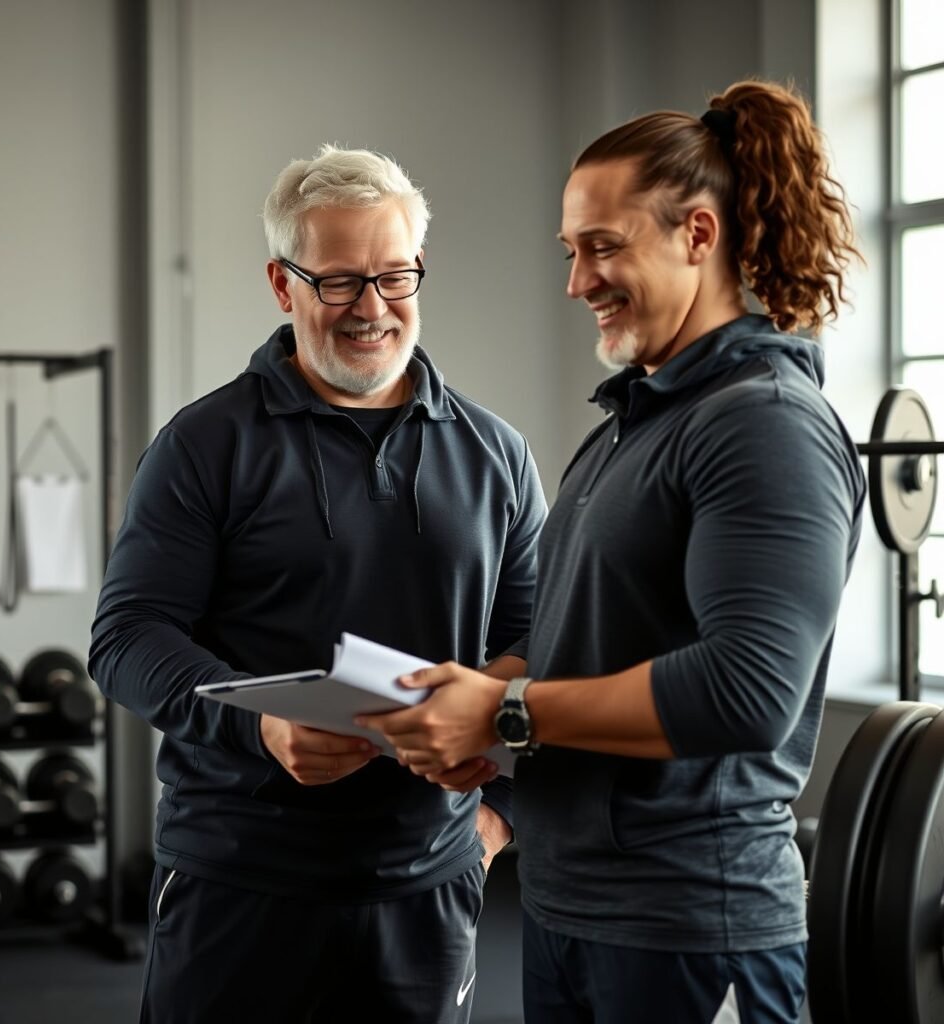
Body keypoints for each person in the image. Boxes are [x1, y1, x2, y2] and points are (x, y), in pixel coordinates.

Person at [359, 79, 867, 1024]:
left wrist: (506, 711)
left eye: (603, 247)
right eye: (570, 251)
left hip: (692, 927)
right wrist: (457, 703)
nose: (576, 281)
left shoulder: (765, 426)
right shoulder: (632, 425)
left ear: (699, 236)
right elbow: (583, 648)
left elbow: (747, 692)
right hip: (571, 908)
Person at [88, 144, 548, 1023]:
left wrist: (499, 821)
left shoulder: (498, 456)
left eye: (395, 276)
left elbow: (536, 644)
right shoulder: (204, 445)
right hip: (239, 878)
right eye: (338, 281)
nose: (371, 308)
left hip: (429, 887)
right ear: (281, 283)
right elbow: (127, 639)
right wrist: (258, 726)